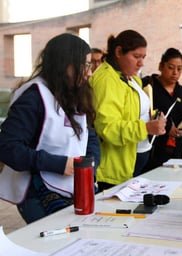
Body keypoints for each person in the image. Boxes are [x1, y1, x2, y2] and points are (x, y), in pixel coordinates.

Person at [0, 33, 97, 224]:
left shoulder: (74, 92)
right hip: (38, 191)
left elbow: (89, 135)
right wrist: (59, 164)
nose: (89, 73)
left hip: (74, 185)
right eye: (85, 65)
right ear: (65, 64)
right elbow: (7, 148)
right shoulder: (34, 96)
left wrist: (90, 167)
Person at [89, 29, 166, 191]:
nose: (141, 63)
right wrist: (145, 128)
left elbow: (132, 113)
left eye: (143, 58)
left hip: (134, 157)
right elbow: (108, 128)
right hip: (115, 167)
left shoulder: (130, 77)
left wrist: (154, 117)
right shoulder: (106, 81)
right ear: (118, 52)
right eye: (136, 57)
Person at [142, 48, 182, 172]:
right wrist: (167, 128)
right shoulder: (147, 85)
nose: (175, 73)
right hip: (151, 148)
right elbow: (143, 113)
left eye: (179, 69)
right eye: (171, 67)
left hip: (175, 150)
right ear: (161, 66)